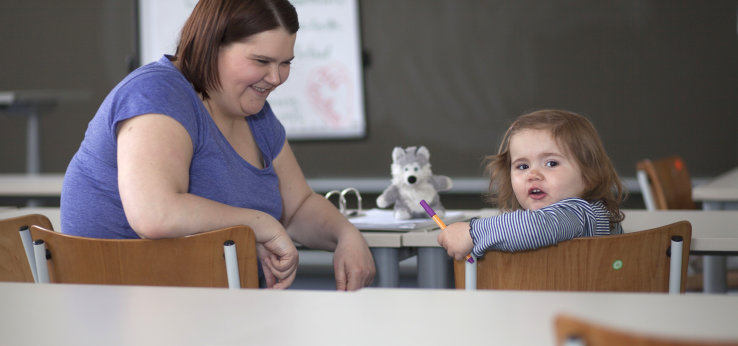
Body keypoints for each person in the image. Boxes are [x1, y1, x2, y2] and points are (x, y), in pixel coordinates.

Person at [60, 0, 375, 290]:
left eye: (285, 63)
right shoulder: (156, 93)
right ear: (212, 46)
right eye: (262, 60)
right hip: (131, 311)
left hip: (210, 310)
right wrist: (261, 224)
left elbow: (299, 206)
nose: (277, 78)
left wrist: (346, 235)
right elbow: (155, 214)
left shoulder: (257, 114)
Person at [438, 109, 625, 260]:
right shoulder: (594, 213)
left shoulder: (579, 214)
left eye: (551, 163)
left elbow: (535, 226)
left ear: (588, 174)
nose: (533, 175)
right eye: (523, 166)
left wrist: (472, 233)